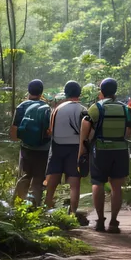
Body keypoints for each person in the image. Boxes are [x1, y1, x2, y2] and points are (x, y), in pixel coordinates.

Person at [78, 78, 131, 233]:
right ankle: (114, 222)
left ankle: (100, 220)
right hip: (121, 150)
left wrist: (82, 151)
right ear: (115, 91)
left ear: (101, 91)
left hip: (101, 150)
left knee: (97, 183)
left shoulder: (96, 108)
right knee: (116, 187)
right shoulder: (125, 108)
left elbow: (86, 130)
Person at [45, 81, 88, 225]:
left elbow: (50, 130)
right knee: (74, 184)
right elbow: (86, 132)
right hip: (76, 148)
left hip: (57, 147)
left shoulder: (56, 109)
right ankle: (72, 216)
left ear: (65, 93)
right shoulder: (83, 109)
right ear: (79, 93)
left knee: (52, 182)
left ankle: (47, 213)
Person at [10, 79, 51, 207]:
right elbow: (49, 130)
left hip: (26, 148)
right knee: (38, 179)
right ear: (41, 92)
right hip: (43, 149)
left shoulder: (22, 106)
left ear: (29, 91)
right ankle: (35, 208)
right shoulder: (46, 108)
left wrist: (22, 139)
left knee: (25, 176)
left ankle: (17, 207)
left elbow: (14, 131)